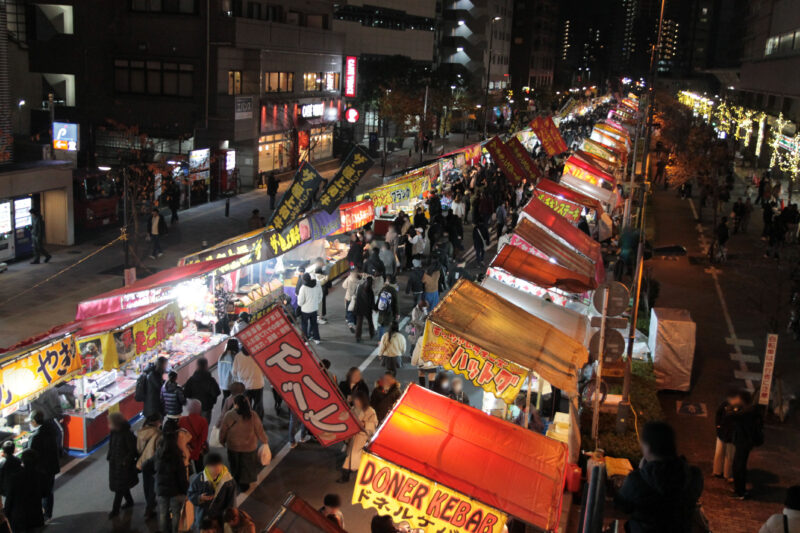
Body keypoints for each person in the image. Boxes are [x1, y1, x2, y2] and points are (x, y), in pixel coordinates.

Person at [614, 421, 703, 533]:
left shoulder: (636, 480)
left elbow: (622, 506)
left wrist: (641, 472)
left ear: (648, 447)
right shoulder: (694, 475)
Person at [219, 395, 268, 491]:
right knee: (246, 466)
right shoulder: (252, 415)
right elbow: (259, 430)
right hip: (249, 447)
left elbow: (223, 431)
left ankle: (236, 480)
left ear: (236, 405)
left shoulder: (229, 415)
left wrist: (222, 441)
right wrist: (265, 441)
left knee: (235, 465)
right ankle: (244, 484)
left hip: (233, 446)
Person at [146, 428, 189, 533]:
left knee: (163, 513)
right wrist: (186, 490)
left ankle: (163, 530)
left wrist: (155, 475)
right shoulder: (177, 457)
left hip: (161, 490)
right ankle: (175, 531)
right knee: (176, 513)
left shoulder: (158, 455)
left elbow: (145, 465)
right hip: (175, 491)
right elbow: (182, 477)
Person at [24, 409, 60, 521]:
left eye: (30, 421)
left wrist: (26, 442)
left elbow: (30, 453)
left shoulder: (36, 436)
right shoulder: (50, 428)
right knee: (49, 490)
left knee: (42, 492)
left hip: (42, 469)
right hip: (52, 465)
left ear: (34, 422)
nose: (30, 424)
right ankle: (48, 513)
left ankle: (43, 515)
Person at [187, 452, 237, 530]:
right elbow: (190, 494)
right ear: (207, 466)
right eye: (214, 465)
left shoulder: (229, 481)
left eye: (219, 464)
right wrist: (200, 498)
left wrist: (229, 516)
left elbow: (232, 502)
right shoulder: (199, 479)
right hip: (203, 518)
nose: (217, 467)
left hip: (219, 519)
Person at [340, 391, 378, 483]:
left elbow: (374, 424)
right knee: (352, 455)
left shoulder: (370, 411)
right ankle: (353, 472)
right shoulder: (354, 409)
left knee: (352, 456)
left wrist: (364, 424)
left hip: (362, 437)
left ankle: (346, 475)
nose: (356, 402)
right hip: (353, 436)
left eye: (357, 400)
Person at [731, 390, 763, 499]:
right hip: (746, 442)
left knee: (738, 466)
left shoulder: (746, 413)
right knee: (740, 465)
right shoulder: (752, 411)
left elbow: (731, 416)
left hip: (742, 442)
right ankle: (740, 490)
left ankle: (740, 491)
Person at [5, 450, 47, 533]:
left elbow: (9, 498)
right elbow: (46, 492)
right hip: (35, 515)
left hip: (18, 517)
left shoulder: (15, 478)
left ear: (23, 461)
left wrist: (7, 513)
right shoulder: (41, 475)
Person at [107, 412, 138, 518]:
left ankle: (115, 510)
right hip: (115, 463)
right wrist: (110, 456)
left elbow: (132, 450)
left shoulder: (127, 434)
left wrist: (125, 461)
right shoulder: (114, 432)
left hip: (123, 465)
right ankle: (129, 501)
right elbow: (111, 445)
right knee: (122, 485)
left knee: (119, 487)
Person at [136, 413, 163, 520]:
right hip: (153, 462)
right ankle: (150, 507)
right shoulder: (158, 434)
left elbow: (138, 449)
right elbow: (159, 450)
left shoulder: (141, 432)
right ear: (157, 422)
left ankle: (149, 502)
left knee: (146, 483)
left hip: (143, 462)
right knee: (153, 484)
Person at [231, 346, 265, 420]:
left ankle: (247, 420)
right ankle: (258, 421)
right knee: (258, 404)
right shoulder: (258, 354)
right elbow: (264, 370)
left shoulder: (238, 356)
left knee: (246, 405)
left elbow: (234, 372)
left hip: (244, 386)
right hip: (258, 384)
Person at [184, 357, 221, 423]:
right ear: (206, 366)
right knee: (204, 425)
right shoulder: (210, 380)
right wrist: (211, 400)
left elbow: (186, 393)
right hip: (206, 407)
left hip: (194, 408)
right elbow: (216, 392)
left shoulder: (191, 380)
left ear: (197, 366)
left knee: (194, 425)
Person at [713, 389, 738, 481]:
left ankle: (726, 474)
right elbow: (718, 414)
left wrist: (718, 426)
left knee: (728, 455)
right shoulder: (725, 404)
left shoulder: (739, 408)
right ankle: (718, 472)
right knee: (721, 453)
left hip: (730, 435)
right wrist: (718, 426)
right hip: (723, 433)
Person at [179, 399, 209, 474]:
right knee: (200, 469)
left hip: (185, 449)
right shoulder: (203, 421)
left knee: (185, 470)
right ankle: (200, 483)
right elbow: (203, 438)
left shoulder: (182, 420)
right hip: (198, 449)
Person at [297, 272, 323, 344]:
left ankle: (305, 340)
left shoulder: (303, 288)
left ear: (304, 280)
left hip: (305, 310)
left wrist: (298, 300)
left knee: (304, 325)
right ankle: (316, 339)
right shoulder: (316, 285)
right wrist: (316, 303)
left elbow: (300, 302)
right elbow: (319, 296)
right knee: (314, 324)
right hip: (314, 309)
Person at [354, 275, 376, 342]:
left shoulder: (360, 287)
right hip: (367, 309)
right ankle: (372, 334)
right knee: (370, 322)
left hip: (359, 307)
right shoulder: (370, 291)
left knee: (359, 323)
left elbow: (357, 297)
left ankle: (358, 337)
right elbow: (372, 302)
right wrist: (375, 308)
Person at [312, 257, 331, 324]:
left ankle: (321, 316)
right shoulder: (320, 272)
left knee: (321, 304)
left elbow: (325, 280)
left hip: (322, 290)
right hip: (320, 291)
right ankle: (319, 317)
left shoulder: (323, 269)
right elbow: (325, 280)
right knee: (320, 304)